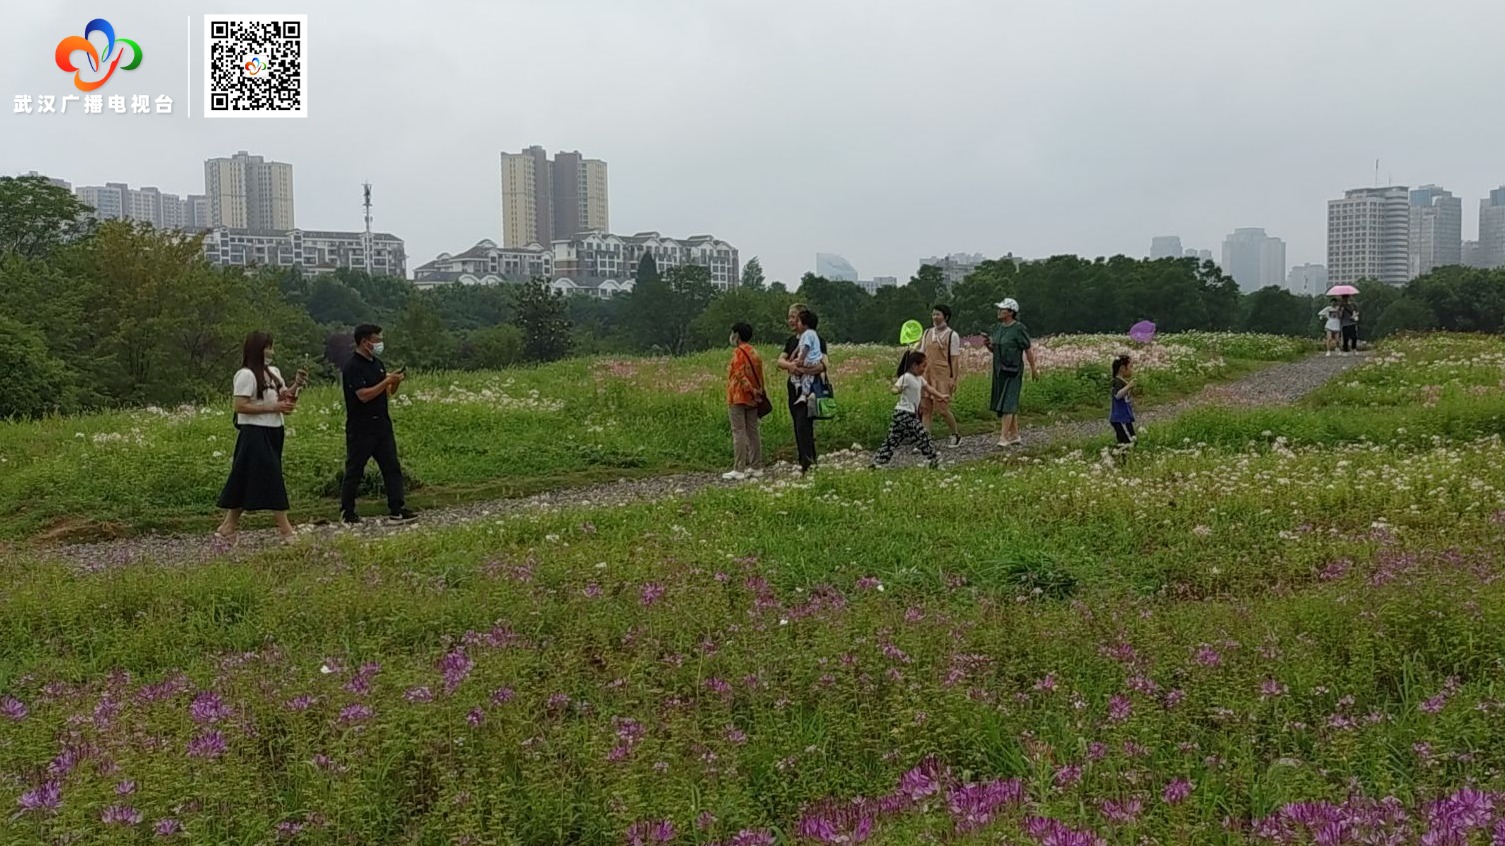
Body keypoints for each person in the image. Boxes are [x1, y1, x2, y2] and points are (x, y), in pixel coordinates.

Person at [216, 331, 298, 543]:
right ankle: (285, 529)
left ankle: (228, 525)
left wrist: (296, 386)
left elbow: (284, 395)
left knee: (245, 477)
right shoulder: (246, 375)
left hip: (273, 430)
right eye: (268, 347)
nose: (271, 351)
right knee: (272, 476)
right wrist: (274, 407)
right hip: (254, 432)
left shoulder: (273, 372)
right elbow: (240, 406)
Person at [340, 324, 418, 524]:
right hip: (361, 427)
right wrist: (386, 381)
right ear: (365, 342)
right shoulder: (352, 366)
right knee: (355, 469)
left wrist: (395, 381)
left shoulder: (378, 363)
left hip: (381, 424)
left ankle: (397, 508)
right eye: (377, 340)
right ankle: (347, 511)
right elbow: (363, 395)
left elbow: (386, 392)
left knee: (392, 466)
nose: (380, 343)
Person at [871, 351, 947, 469]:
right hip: (904, 414)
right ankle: (934, 460)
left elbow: (929, 389)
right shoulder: (906, 377)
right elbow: (894, 388)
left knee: (893, 439)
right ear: (914, 366)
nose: (924, 369)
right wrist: (897, 390)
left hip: (907, 414)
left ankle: (877, 462)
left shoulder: (919, 379)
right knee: (922, 436)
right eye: (923, 366)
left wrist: (941, 396)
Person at [777, 303, 827, 474]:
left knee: (803, 425)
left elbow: (823, 365)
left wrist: (802, 369)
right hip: (794, 388)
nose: (790, 321)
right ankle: (808, 460)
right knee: (799, 426)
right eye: (789, 317)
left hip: (810, 388)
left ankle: (807, 463)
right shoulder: (792, 341)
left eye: (794, 317)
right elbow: (780, 361)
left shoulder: (816, 339)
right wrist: (790, 366)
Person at [983, 298, 1039, 447]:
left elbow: (1027, 348)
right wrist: (989, 345)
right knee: (1004, 402)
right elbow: (996, 350)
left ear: (1010, 312)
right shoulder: (998, 328)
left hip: (1013, 371)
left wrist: (1033, 368)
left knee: (1008, 402)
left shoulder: (1019, 328)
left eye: (1002, 310)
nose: (999, 312)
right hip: (999, 370)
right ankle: (1015, 435)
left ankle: (1003, 437)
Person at [724, 322, 767, 482]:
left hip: (738, 397)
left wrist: (750, 389)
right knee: (753, 432)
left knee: (739, 432)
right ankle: (756, 467)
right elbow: (760, 376)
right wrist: (758, 392)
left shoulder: (738, 353)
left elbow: (740, 375)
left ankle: (739, 469)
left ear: (737, 335)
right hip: (754, 399)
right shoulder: (755, 352)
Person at [918, 304, 963, 448]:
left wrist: (953, 378)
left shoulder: (952, 335)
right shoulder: (927, 333)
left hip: (942, 375)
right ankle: (925, 440)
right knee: (925, 408)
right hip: (926, 374)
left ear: (946, 317)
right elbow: (921, 352)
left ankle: (955, 434)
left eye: (938, 314)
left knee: (942, 409)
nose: (935, 317)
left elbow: (954, 358)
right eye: (933, 314)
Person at [791, 309, 825, 409]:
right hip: (815, 361)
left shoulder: (807, 334)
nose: (797, 324)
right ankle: (806, 394)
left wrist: (800, 359)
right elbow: (800, 345)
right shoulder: (813, 334)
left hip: (808, 360)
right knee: (808, 377)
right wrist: (794, 352)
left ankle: (798, 386)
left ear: (805, 324)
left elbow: (806, 347)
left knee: (793, 368)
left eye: (798, 321)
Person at [1110, 354, 1137, 446]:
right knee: (1130, 443)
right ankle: (1123, 458)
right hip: (1121, 419)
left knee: (1126, 442)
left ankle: (1119, 457)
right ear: (1122, 368)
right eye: (1130, 366)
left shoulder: (1123, 381)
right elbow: (1117, 396)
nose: (1132, 369)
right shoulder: (1117, 382)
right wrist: (1129, 386)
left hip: (1125, 418)